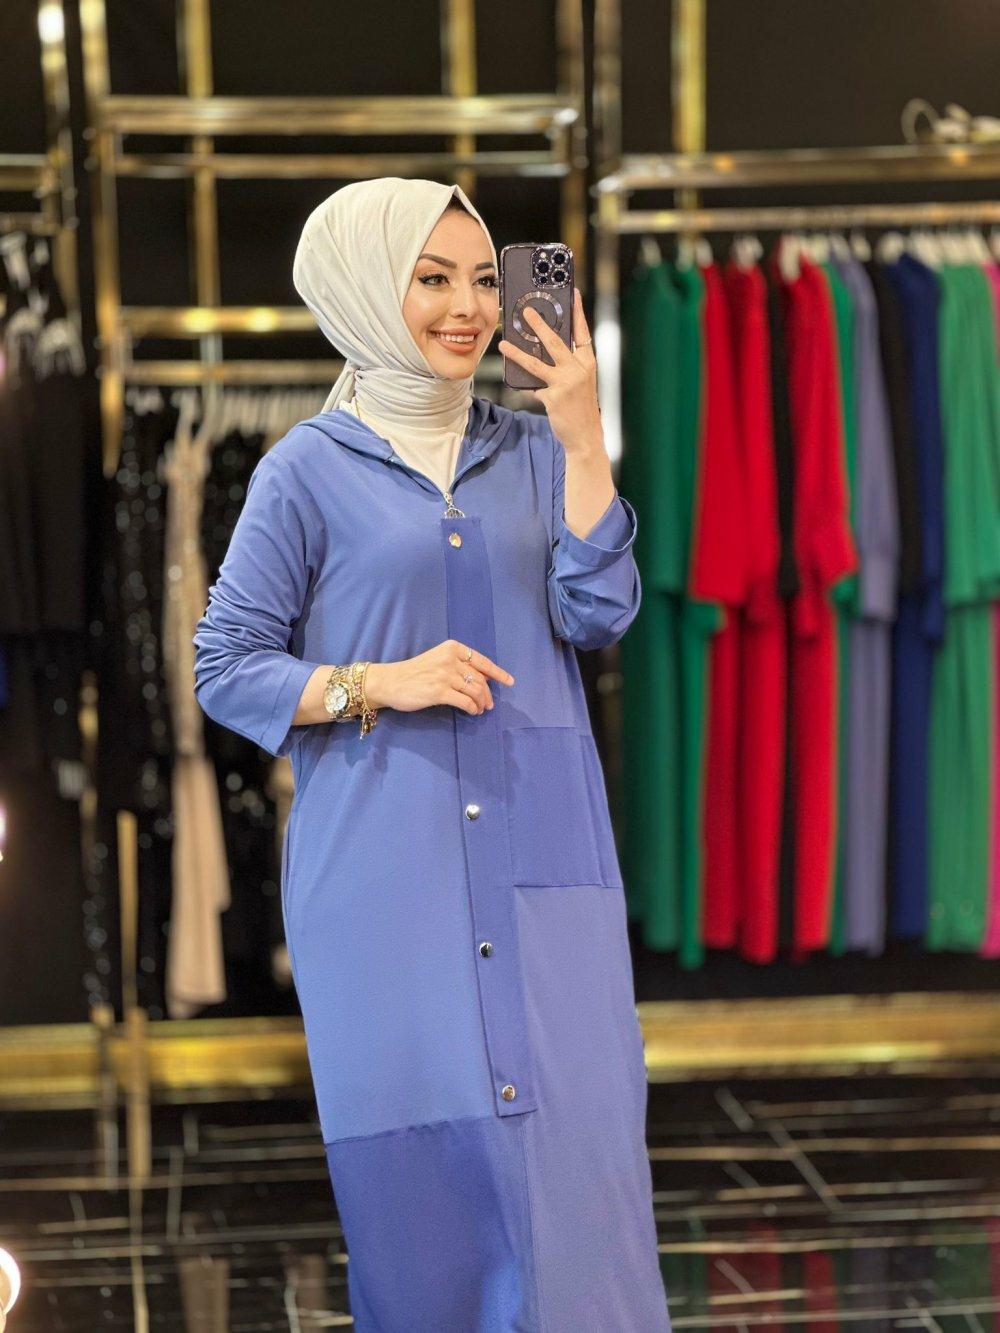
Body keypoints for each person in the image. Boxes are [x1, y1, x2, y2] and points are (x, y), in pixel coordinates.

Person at [192, 177, 670, 1332]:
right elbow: (224, 664)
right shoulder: (304, 470)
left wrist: (583, 435)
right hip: (383, 878)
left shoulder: (534, 450)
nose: (469, 307)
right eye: (432, 278)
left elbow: (599, 610)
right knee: (424, 1207)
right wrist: (377, 680)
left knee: (583, 1182)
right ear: (367, 287)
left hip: (542, 866)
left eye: (484, 279)